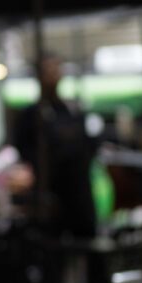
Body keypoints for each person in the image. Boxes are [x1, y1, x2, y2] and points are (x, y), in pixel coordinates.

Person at [13, 54, 97, 238]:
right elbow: (23, 147)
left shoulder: (71, 111)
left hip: (79, 193)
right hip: (50, 193)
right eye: (48, 70)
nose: (54, 74)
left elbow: (89, 146)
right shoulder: (31, 116)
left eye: (56, 69)